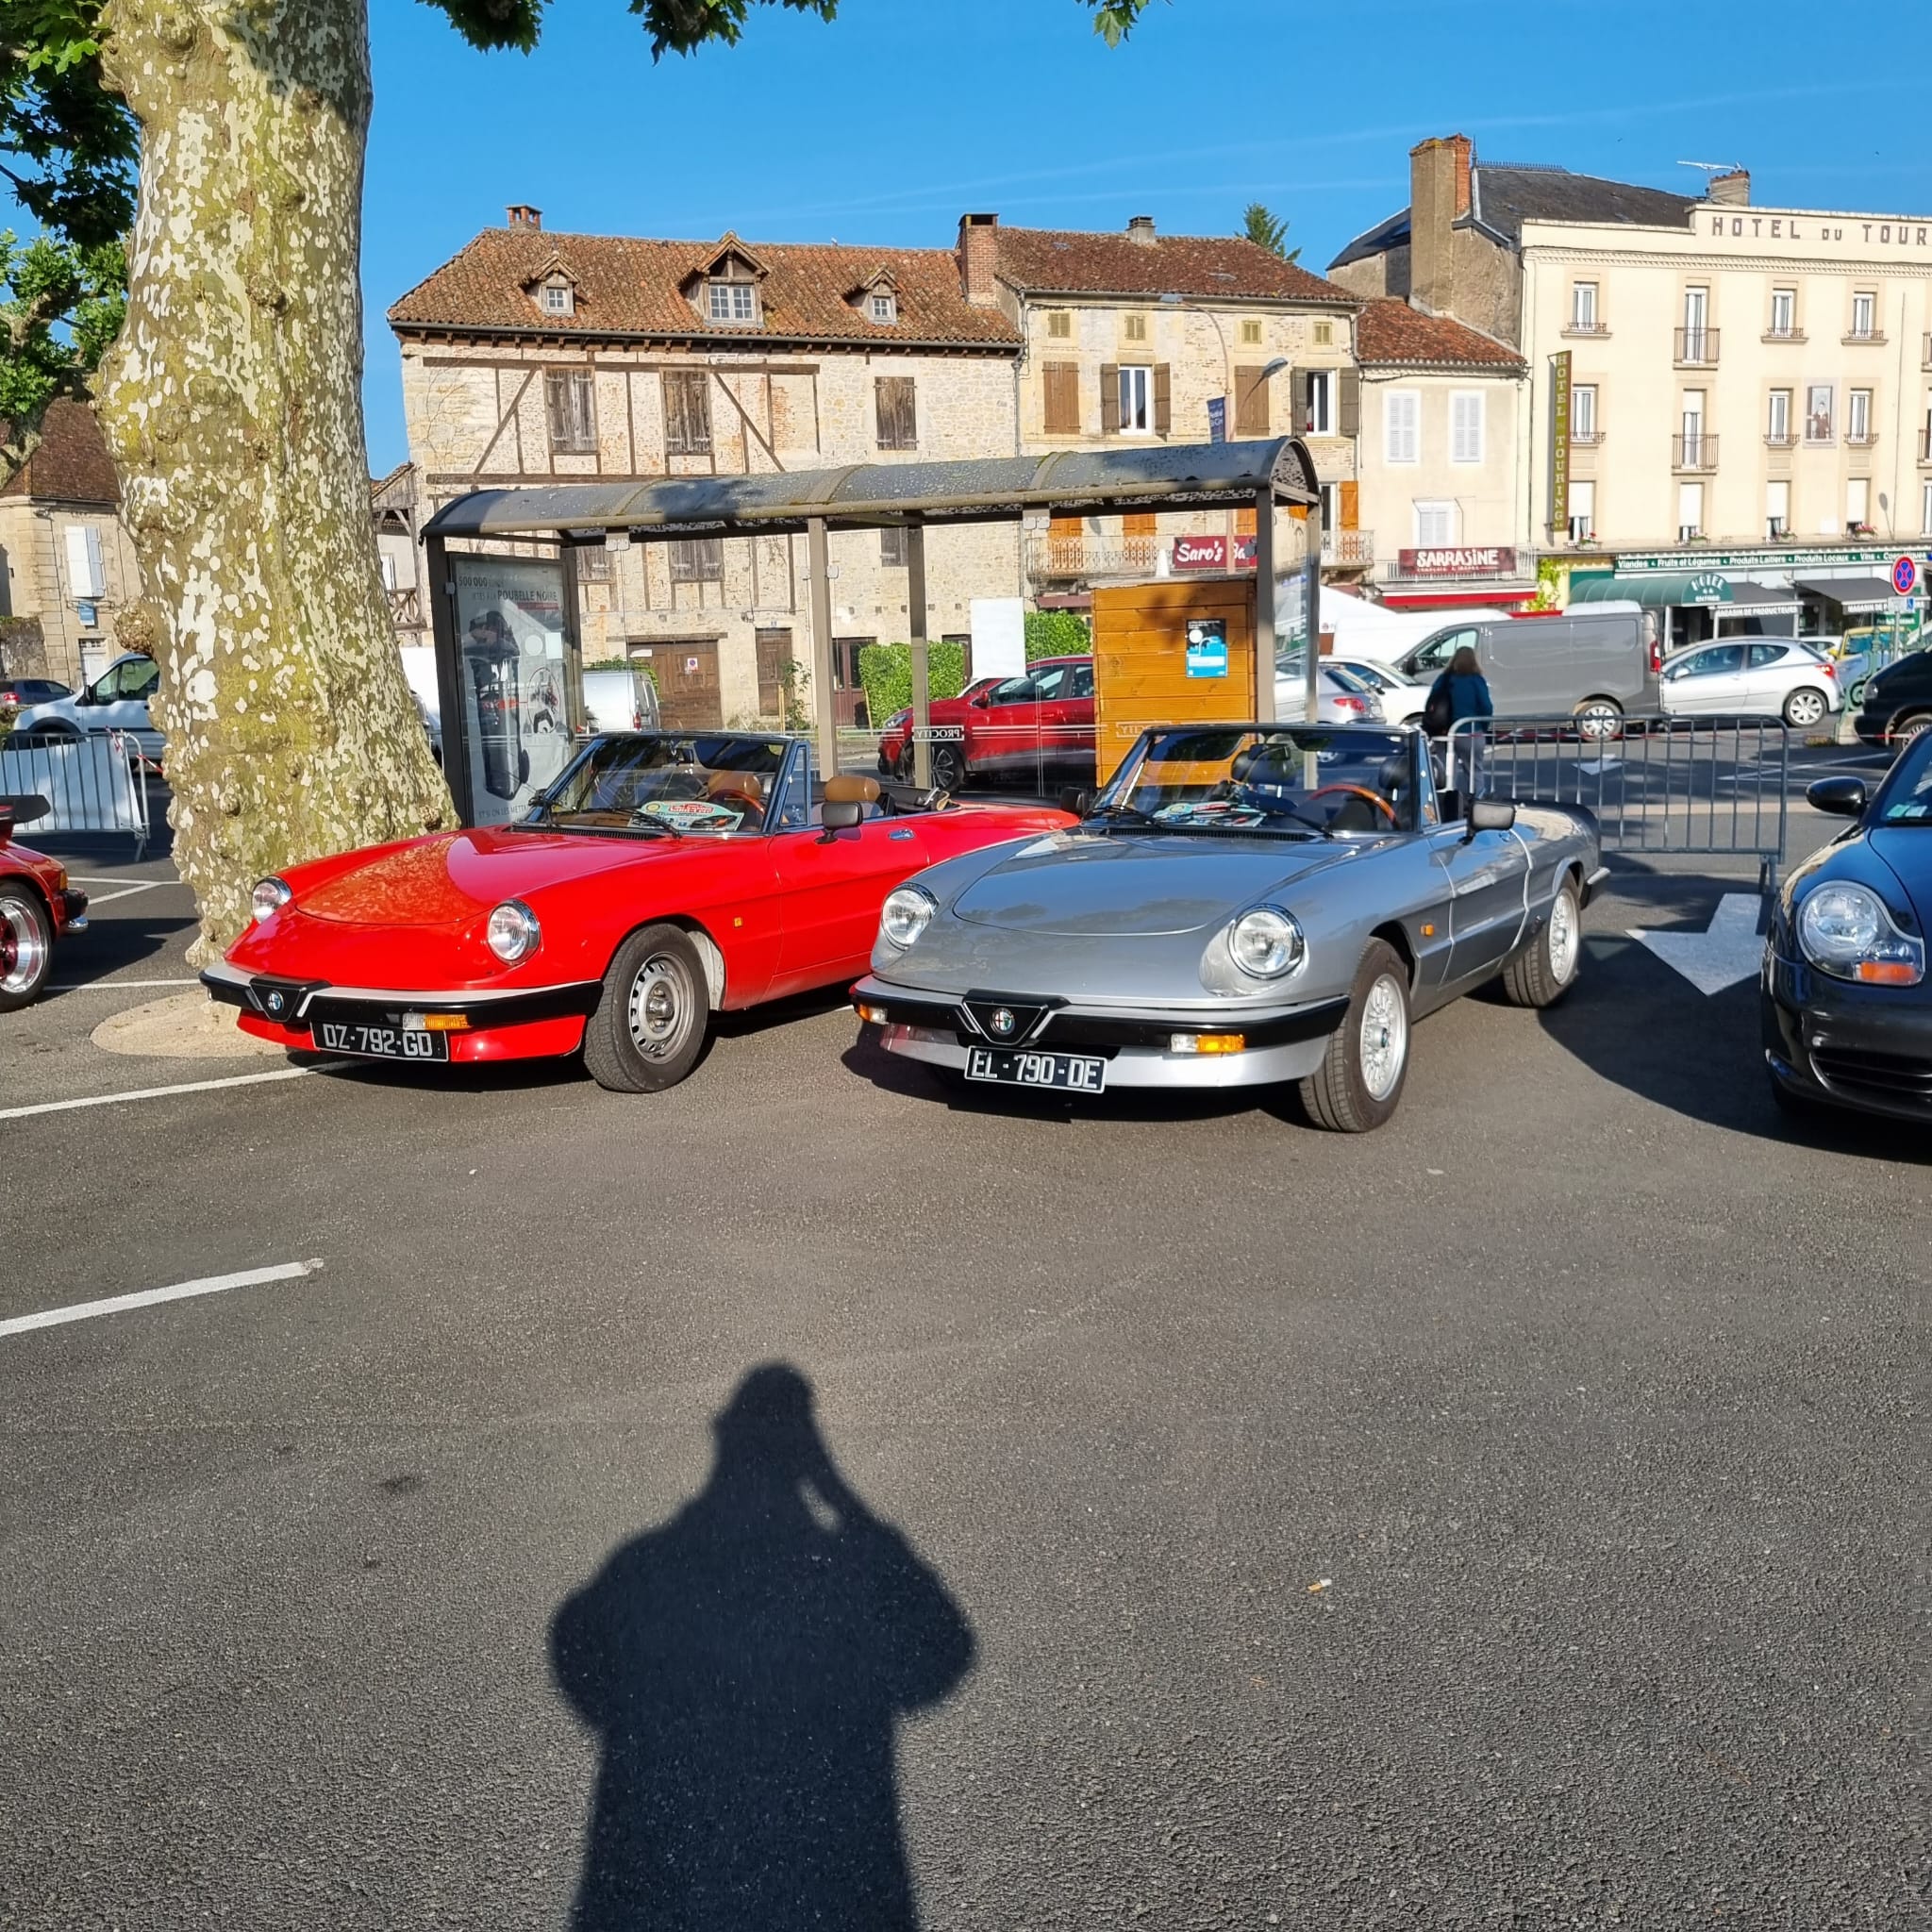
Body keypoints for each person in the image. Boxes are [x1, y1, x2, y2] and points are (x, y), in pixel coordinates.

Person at [1424, 645, 1493, 794]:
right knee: (1474, 769)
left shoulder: (1444, 679)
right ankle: (1477, 801)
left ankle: (1446, 802)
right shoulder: (1476, 680)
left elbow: (1432, 702)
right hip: (1470, 731)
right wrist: (1484, 726)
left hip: (1443, 732)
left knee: (1447, 771)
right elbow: (1486, 707)